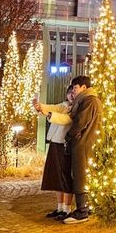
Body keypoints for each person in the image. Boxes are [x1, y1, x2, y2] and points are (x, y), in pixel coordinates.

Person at [62, 75, 103, 225]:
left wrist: (69, 135)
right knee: (83, 175)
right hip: (86, 141)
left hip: (83, 143)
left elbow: (80, 122)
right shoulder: (89, 100)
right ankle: (85, 208)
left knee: (80, 175)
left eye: (75, 87)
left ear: (84, 87)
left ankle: (82, 211)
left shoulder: (89, 100)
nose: (73, 91)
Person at [33, 85, 75, 220]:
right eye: (69, 93)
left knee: (65, 176)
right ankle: (60, 207)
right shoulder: (63, 105)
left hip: (65, 144)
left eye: (74, 92)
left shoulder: (77, 108)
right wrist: (41, 107)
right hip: (55, 143)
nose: (71, 95)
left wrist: (49, 113)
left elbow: (65, 119)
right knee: (57, 176)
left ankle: (67, 209)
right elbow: (53, 108)